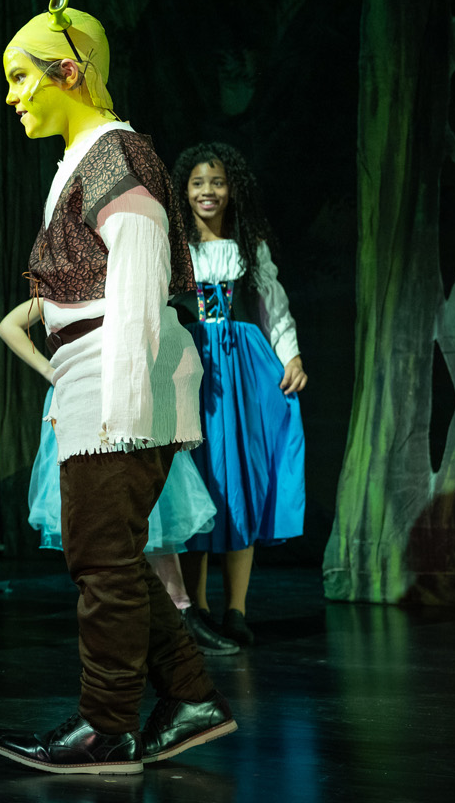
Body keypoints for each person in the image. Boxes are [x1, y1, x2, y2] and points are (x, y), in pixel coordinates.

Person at [0, 0, 235, 774]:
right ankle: (189, 698)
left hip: (115, 368)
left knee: (102, 560)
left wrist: (121, 404)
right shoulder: (85, 160)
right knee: (112, 556)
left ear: (67, 72)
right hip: (90, 369)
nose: (12, 96)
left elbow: (136, 270)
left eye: (21, 77)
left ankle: (107, 725)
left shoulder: (114, 154)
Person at [0, 300, 237, 655]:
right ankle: (137, 625)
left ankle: (178, 615)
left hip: (127, 398)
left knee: (151, 511)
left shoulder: (120, 278)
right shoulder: (58, 287)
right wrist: (51, 371)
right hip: (83, 405)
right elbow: (8, 325)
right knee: (102, 524)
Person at [171, 142, 307, 646]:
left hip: (243, 369)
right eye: (198, 183)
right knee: (198, 480)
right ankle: (197, 609)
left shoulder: (249, 245)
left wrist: (291, 356)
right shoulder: (174, 247)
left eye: (217, 182)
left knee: (242, 484)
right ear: (184, 191)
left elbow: (274, 306)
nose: (208, 191)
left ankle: (236, 610)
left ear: (232, 190)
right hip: (193, 368)